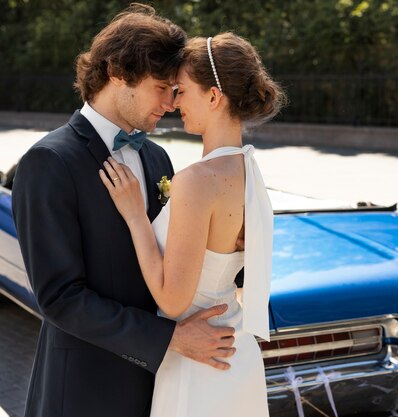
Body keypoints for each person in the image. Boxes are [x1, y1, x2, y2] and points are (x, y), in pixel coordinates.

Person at [12, 5, 237, 417]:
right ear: (118, 73)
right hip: (85, 390)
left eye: (176, 90)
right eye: (161, 87)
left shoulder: (158, 159)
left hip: (162, 390)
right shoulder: (48, 162)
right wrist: (169, 339)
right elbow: (60, 298)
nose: (171, 103)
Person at [99, 32, 286, 416]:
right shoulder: (248, 170)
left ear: (214, 97)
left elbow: (172, 299)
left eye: (182, 90)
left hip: (198, 363)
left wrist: (135, 216)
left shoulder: (199, 180)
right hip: (234, 352)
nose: (173, 103)